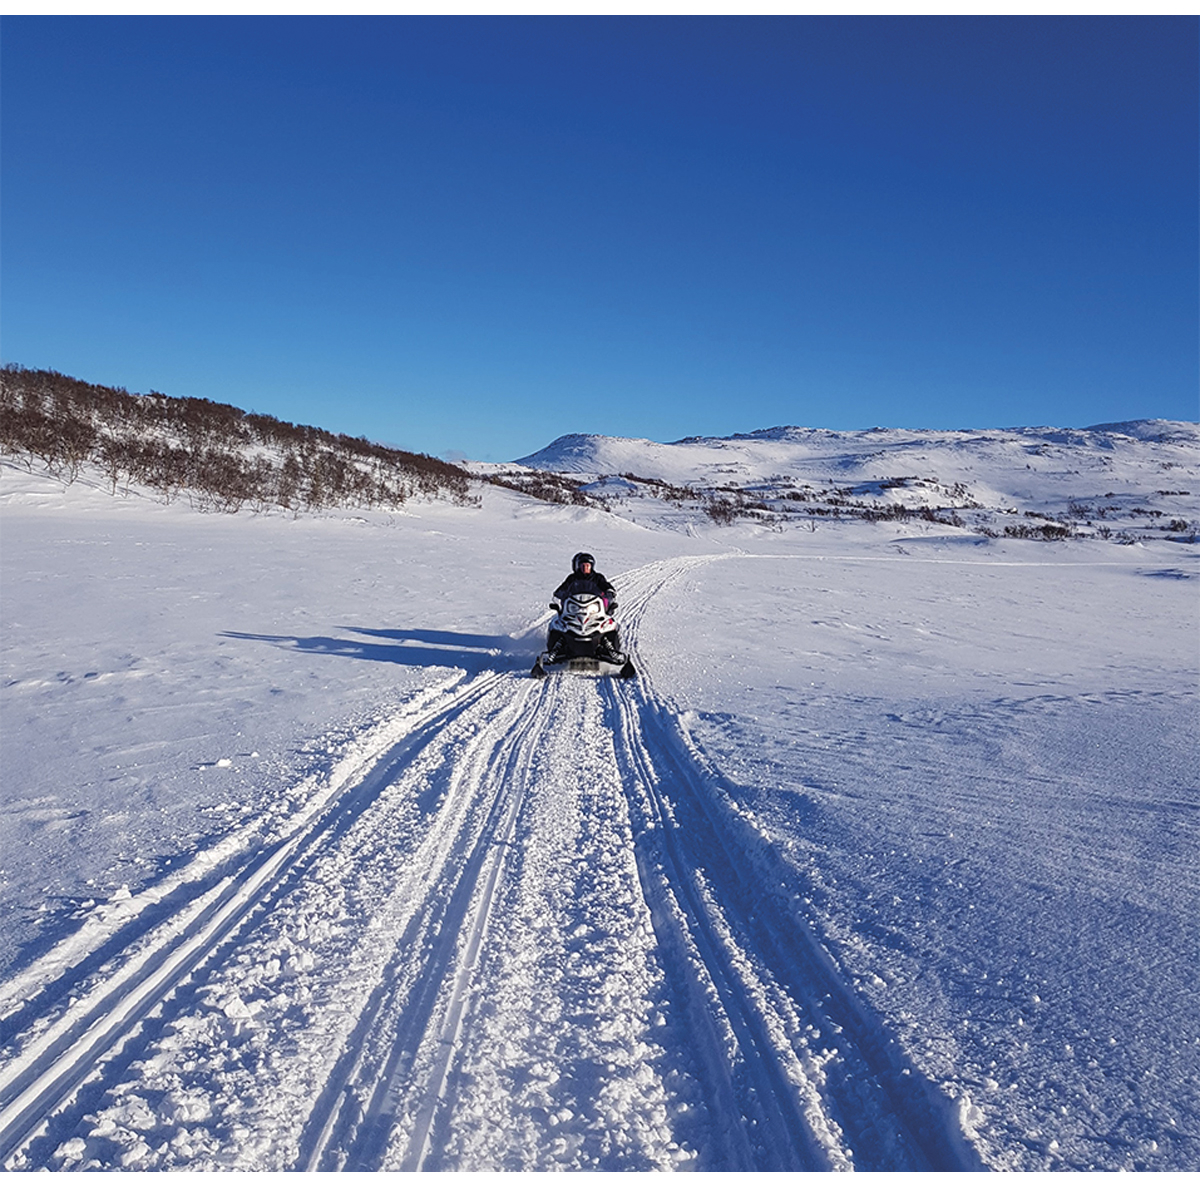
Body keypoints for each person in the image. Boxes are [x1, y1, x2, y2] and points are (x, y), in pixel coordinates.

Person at [547, 552, 621, 662]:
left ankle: (610, 650)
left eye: (588, 565)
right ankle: (555, 651)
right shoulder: (572, 578)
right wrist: (559, 595)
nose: (585, 567)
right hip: (574, 610)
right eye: (583, 565)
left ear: (592, 566)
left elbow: (607, 587)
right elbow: (562, 589)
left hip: (594, 611)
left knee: (609, 624)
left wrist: (609, 593)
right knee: (557, 624)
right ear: (578, 566)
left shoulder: (597, 578)